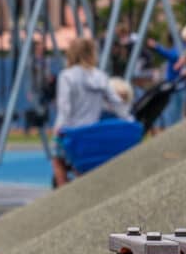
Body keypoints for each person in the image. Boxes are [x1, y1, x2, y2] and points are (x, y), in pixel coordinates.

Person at [52, 37, 131, 186]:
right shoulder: (100, 76)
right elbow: (116, 102)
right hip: (93, 130)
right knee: (86, 165)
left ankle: (63, 194)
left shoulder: (66, 76)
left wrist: (59, 127)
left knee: (57, 161)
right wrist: (128, 119)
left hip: (73, 131)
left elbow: (65, 107)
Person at [145, 20, 186, 129]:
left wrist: (157, 47)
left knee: (179, 109)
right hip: (177, 83)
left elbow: (174, 56)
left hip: (180, 85)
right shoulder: (185, 47)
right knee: (175, 109)